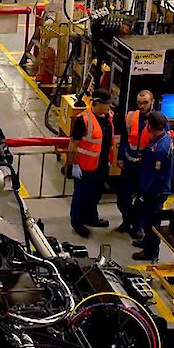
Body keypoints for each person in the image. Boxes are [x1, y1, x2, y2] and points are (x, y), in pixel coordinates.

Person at [67, 90, 116, 238]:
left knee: (95, 194)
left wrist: (108, 161)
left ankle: (91, 218)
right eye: (107, 103)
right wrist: (74, 165)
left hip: (100, 165)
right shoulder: (83, 120)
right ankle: (77, 223)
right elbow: (73, 144)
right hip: (85, 167)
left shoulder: (108, 117)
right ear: (98, 103)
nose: (109, 106)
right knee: (81, 195)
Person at [132, 111, 174, 262]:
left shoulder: (161, 149)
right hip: (151, 186)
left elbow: (157, 175)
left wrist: (145, 192)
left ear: (150, 126)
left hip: (154, 191)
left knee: (152, 223)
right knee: (146, 220)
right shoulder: (163, 137)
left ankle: (150, 252)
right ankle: (146, 243)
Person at [116, 89, 156, 236]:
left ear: (152, 102)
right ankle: (128, 221)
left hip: (145, 170)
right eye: (139, 103)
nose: (142, 106)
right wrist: (120, 157)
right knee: (123, 198)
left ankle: (138, 226)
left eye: (145, 103)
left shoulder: (158, 120)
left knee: (142, 200)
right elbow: (125, 138)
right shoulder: (131, 117)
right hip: (129, 166)